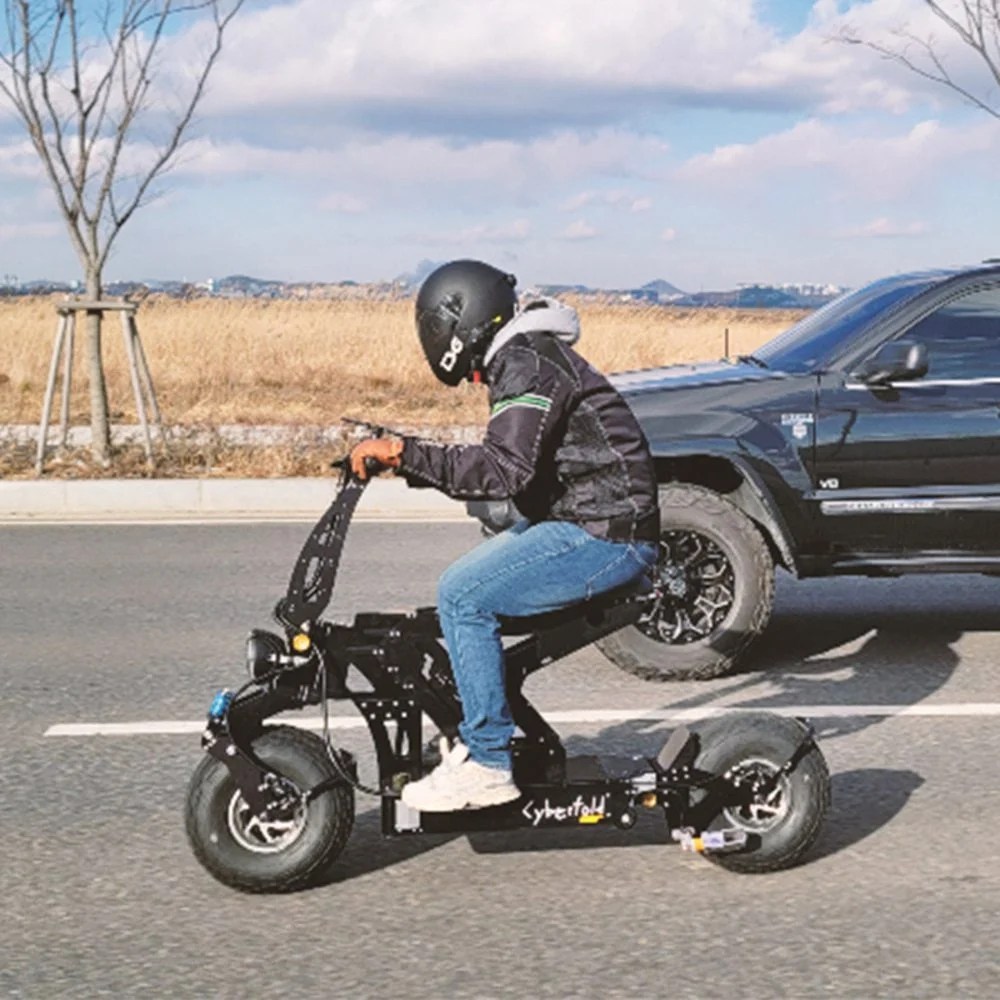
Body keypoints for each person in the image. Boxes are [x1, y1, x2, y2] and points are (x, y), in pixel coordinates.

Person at [350, 259, 660, 812]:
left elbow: (503, 469)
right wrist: (409, 463)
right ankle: (477, 729)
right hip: (587, 518)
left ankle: (488, 763)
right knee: (468, 587)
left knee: (463, 596)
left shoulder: (528, 361)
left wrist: (404, 454)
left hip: (605, 534)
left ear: (461, 318)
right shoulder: (527, 356)